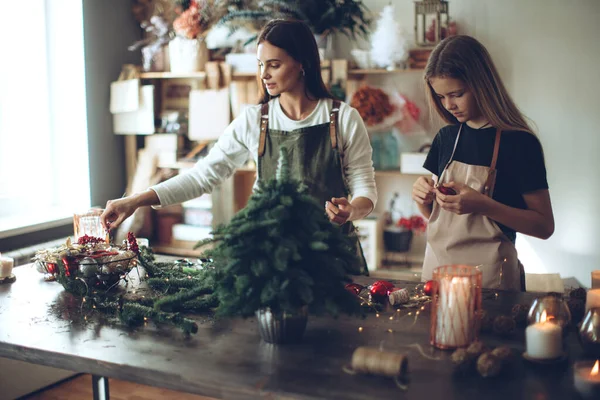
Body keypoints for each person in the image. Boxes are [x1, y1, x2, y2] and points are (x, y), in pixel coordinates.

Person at [101, 19, 377, 274]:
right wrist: (136, 200)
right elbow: (202, 176)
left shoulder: (342, 118)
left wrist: (351, 211)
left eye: (274, 64)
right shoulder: (254, 120)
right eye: (260, 64)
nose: (264, 74)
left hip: (333, 259)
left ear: (302, 63)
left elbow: (365, 189)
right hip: (271, 260)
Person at [412, 35, 554, 291]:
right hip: (437, 276)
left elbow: (544, 226)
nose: (449, 105)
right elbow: (438, 219)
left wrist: (485, 205)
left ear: (482, 83)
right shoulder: (446, 138)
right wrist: (424, 200)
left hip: (491, 285)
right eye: (441, 97)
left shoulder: (520, 143)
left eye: (456, 94)